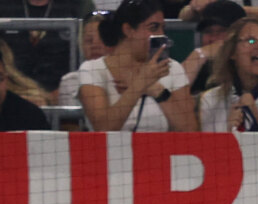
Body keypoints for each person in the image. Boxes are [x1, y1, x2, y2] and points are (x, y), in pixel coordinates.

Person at [79, 0, 198, 132]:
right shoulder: (92, 69)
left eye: (162, 28)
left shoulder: (172, 68)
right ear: (128, 30)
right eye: (153, 28)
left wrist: (157, 90)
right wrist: (140, 84)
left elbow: (190, 130)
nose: (161, 35)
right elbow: (103, 128)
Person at [0, 0, 95, 94]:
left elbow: (93, 55)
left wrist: (57, 95)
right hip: (11, 93)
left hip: (65, 94)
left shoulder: (80, 5)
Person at [183, 1, 247, 95]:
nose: (213, 38)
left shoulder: (251, 69)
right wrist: (198, 55)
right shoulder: (199, 68)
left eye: (222, 31)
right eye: (208, 31)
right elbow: (171, 97)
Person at [58, 14, 113, 107]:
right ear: (81, 45)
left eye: (102, 40)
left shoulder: (124, 80)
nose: (95, 46)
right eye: (89, 40)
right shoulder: (70, 82)